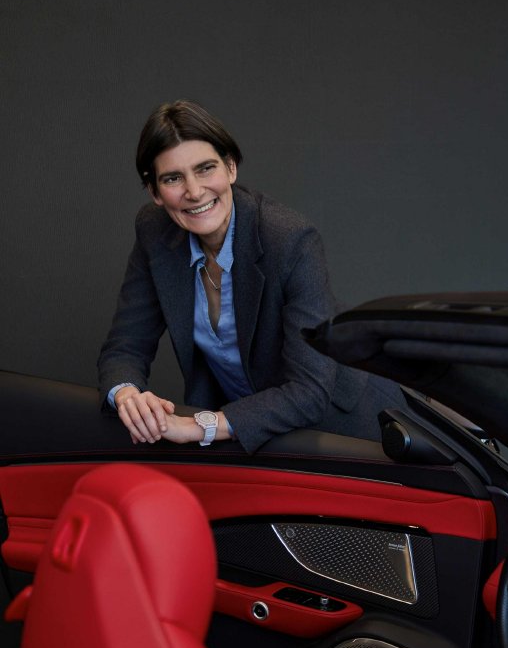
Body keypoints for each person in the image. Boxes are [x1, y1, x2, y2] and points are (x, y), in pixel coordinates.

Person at [98, 99, 404, 454]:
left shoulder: (290, 240)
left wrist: (199, 425)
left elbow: (309, 391)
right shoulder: (155, 232)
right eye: (173, 178)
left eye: (205, 169)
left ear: (230, 167)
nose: (194, 191)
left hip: (348, 428)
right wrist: (128, 395)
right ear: (154, 191)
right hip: (248, 430)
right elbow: (125, 345)